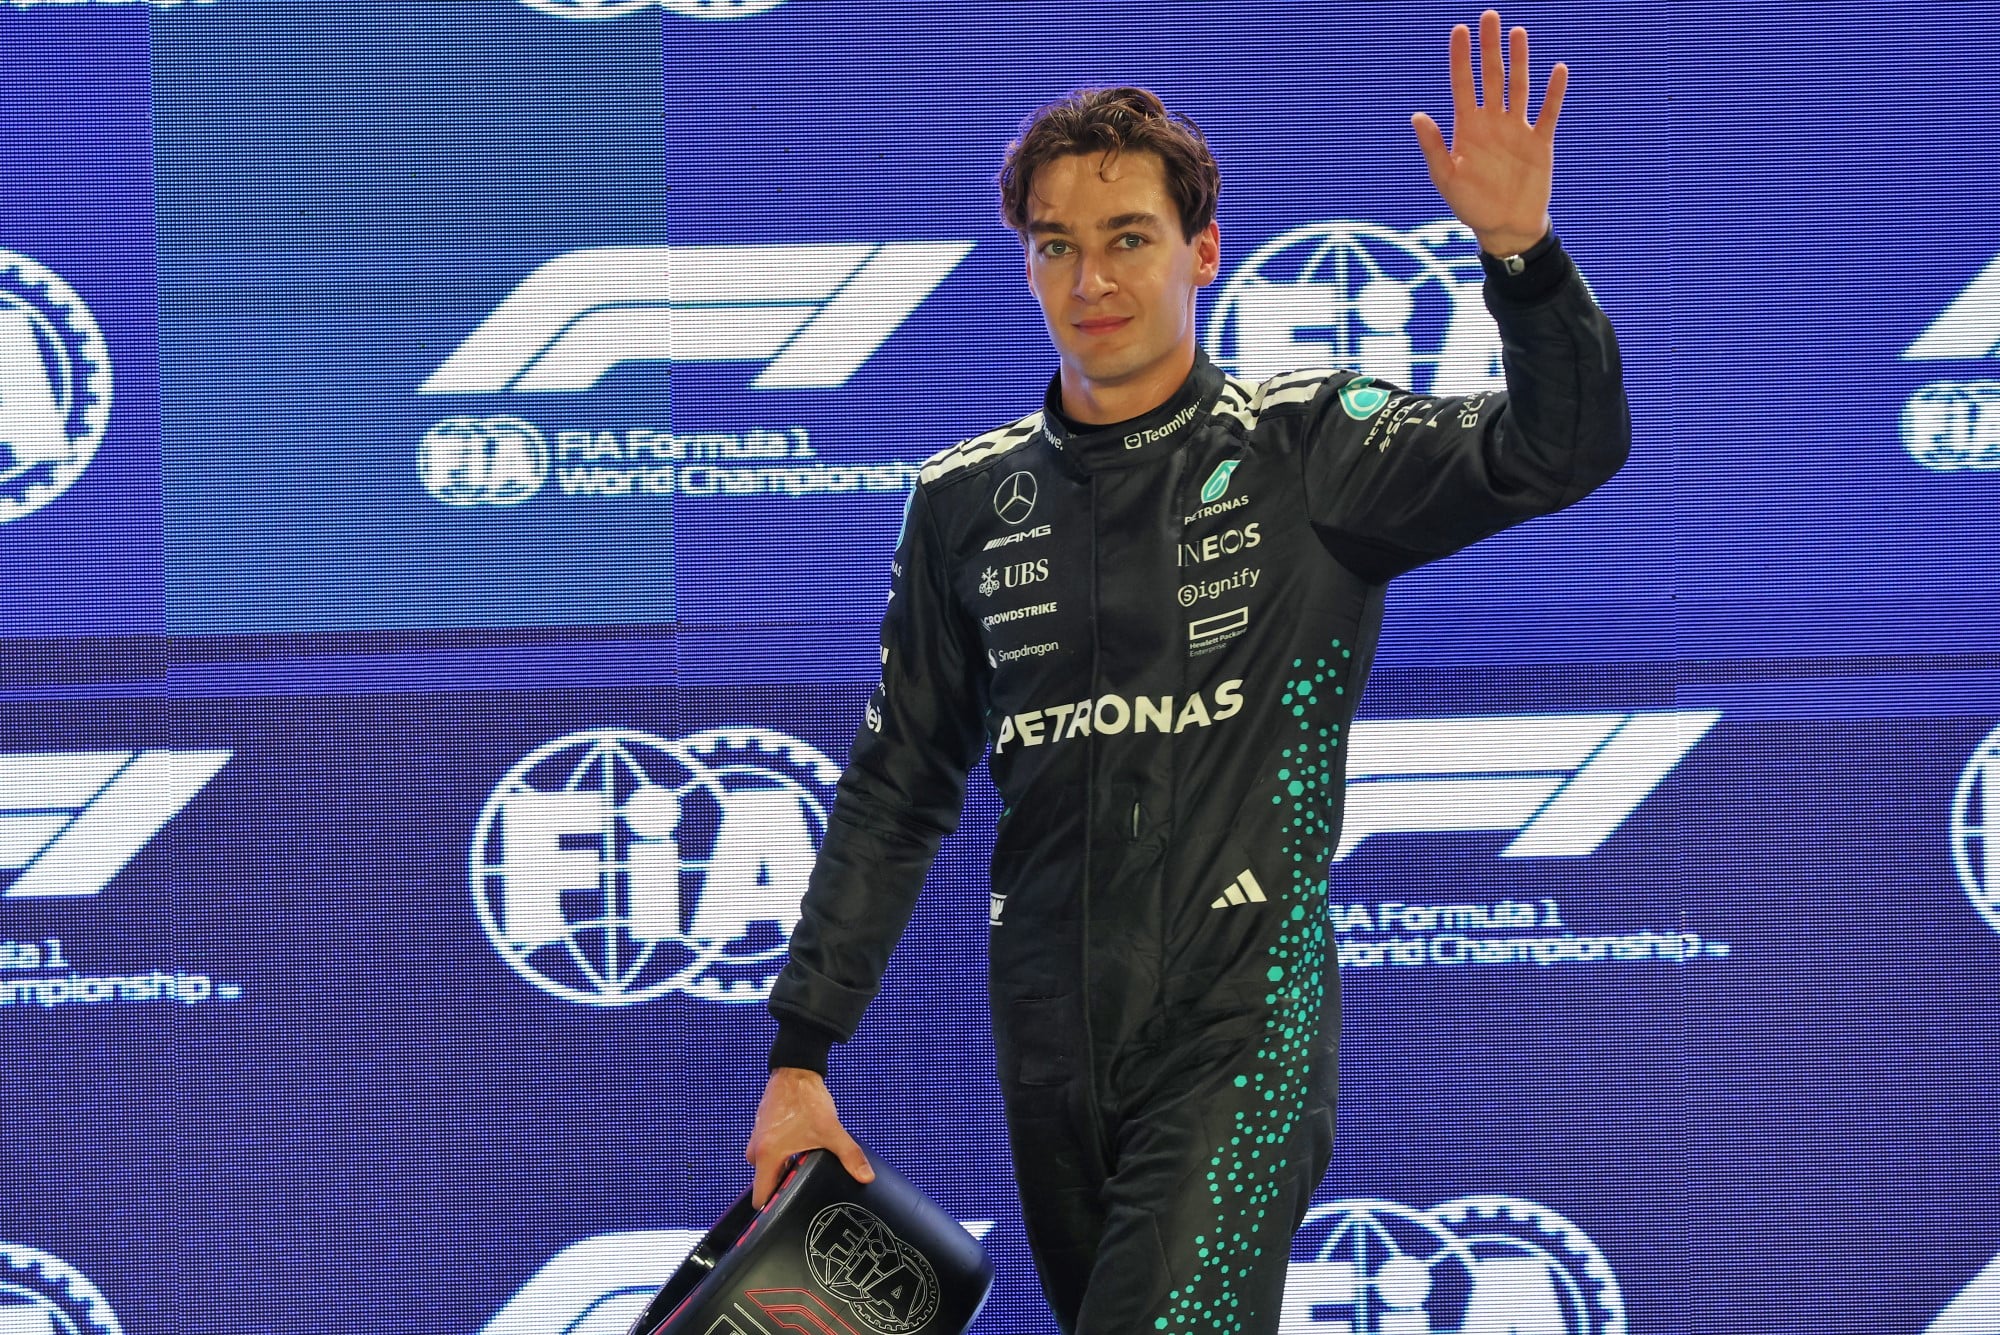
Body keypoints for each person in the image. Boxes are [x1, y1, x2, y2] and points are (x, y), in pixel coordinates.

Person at [745, 11, 1629, 1332]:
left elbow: (1561, 453)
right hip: (1046, 1045)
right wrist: (801, 1056)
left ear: (1202, 253)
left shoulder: (1312, 447)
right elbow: (894, 789)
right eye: (1058, 246)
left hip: (1244, 1031)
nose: (1092, 278)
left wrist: (1524, 260)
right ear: (1028, 268)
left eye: (1128, 239)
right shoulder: (964, 506)